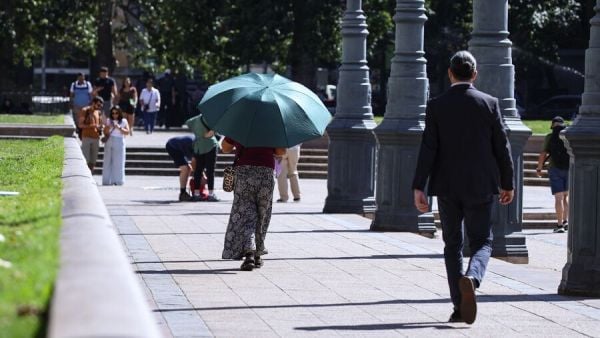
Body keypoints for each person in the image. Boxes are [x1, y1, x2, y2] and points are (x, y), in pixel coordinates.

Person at [412, 51, 514, 325]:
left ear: (450, 73)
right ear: (475, 74)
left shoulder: (436, 105)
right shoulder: (489, 103)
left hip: (446, 186)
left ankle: (459, 305)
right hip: (481, 184)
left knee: (452, 244)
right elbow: (502, 147)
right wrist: (508, 183)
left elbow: (428, 148)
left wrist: (418, 186)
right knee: (482, 241)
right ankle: (474, 276)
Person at [221, 137, 286, 271]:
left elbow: (225, 148)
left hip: (244, 174)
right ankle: (257, 254)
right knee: (262, 215)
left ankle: (249, 253)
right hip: (265, 173)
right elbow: (280, 152)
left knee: (245, 214)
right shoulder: (272, 127)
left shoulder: (239, 123)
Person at [536, 116, 570, 233]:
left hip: (554, 168)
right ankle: (566, 222)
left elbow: (543, 153)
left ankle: (559, 225)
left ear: (552, 125)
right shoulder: (567, 135)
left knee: (558, 198)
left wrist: (539, 168)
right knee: (566, 197)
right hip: (568, 168)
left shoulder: (550, 137)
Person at [185, 114, 220, 201]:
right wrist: (209, 133)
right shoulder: (210, 118)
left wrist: (198, 133)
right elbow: (214, 131)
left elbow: (188, 122)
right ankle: (211, 194)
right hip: (211, 146)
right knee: (210, 170)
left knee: (198, 170)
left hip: (199, 147)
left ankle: (196, 194)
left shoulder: (196, 119)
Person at [102, 106, 129, 185]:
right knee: (107, 161)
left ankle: (118, 181)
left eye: (116, 113)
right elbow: (105, 132)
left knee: (119, 161)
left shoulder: (124, 121)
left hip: (119, 140)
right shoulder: (108, 120)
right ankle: (106, 181)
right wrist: (108, 127)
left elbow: (127, 132)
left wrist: (119, 128)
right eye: (113, 113)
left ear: (119, 113)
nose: (114, 115)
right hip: (110, 140)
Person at [165, 135, 195, 201]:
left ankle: (183, 192)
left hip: (180, 146)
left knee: (188, 168)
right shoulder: (197, 144)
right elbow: (194, 163)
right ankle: (182, 193)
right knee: (185, 168)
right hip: (172, 146)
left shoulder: (201, 142)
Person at [78, 97, 104, 171]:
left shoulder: (98, 112)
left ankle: (90, 177)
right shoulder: (85, 110)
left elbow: (99, 124)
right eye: (98, 105)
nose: (99, 107)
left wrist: (101, 127)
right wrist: (92, 126)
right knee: (85, 160)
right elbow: (80, 125)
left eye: (101, 106)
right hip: (86, 137)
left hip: (96, 138)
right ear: (93, 103)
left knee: (93, 161)